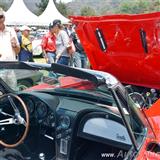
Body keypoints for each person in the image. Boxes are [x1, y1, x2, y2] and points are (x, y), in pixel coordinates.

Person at [0, 8, 20, 90]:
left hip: (11, 67)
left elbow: (18, 51)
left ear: (4, 18)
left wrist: (15, 46)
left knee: (12, 91)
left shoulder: (11, 31)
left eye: (0, 16)